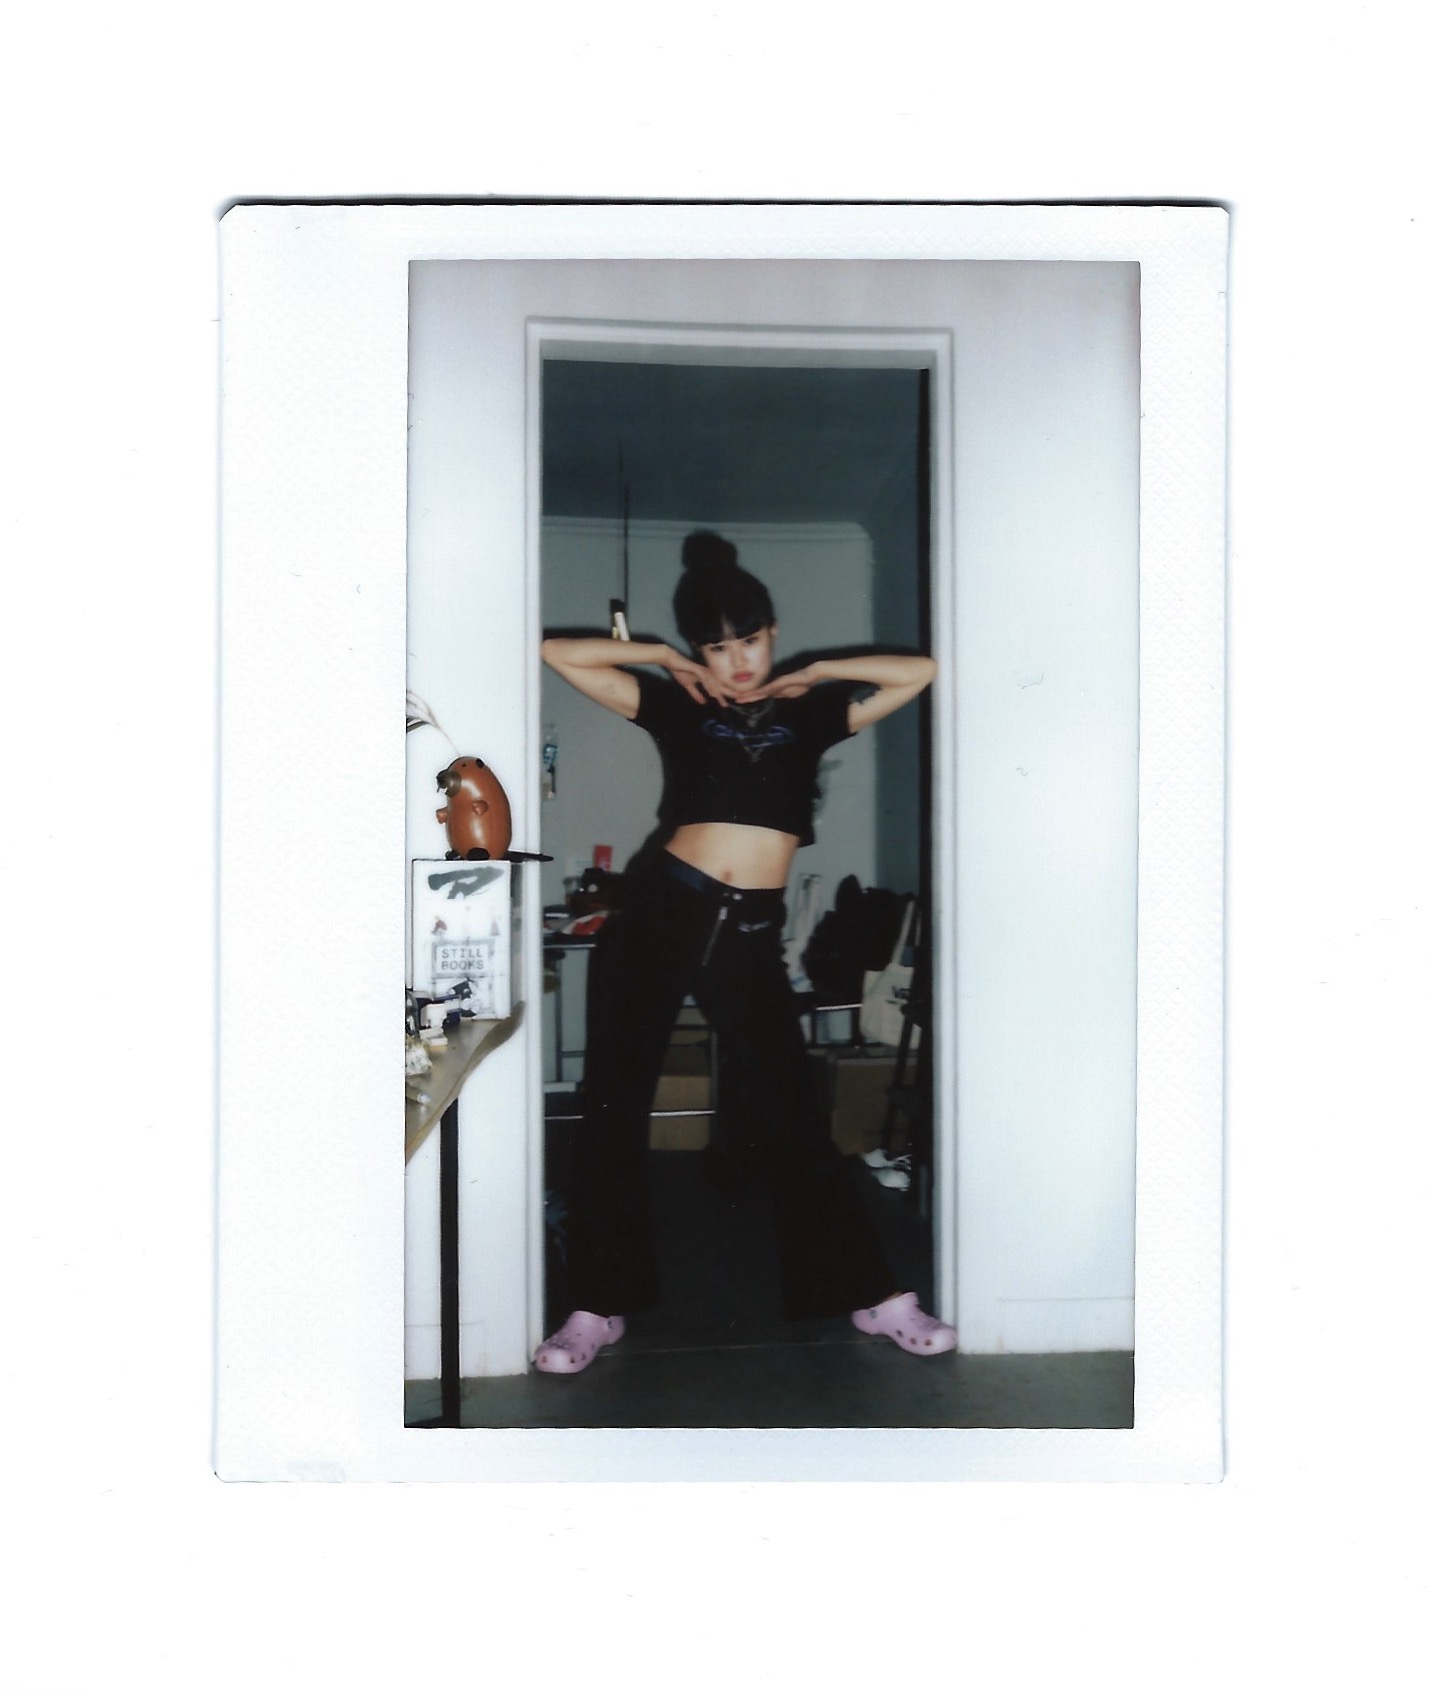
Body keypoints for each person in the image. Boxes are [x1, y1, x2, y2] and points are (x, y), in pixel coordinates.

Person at [535, 529, 955, 1372]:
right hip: (662, 911)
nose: (735, 663)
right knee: (614, 1104)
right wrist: (658, 655)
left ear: (771, 633)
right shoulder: (677, 703)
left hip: (749, 932)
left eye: (750, 642)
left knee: (792, 1110)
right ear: (699, 652)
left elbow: (919, 672)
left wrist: (814, 670)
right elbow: (556, 653)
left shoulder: (812, 712)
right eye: (717, 648)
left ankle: (874, 1296)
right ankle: (595, 1308)